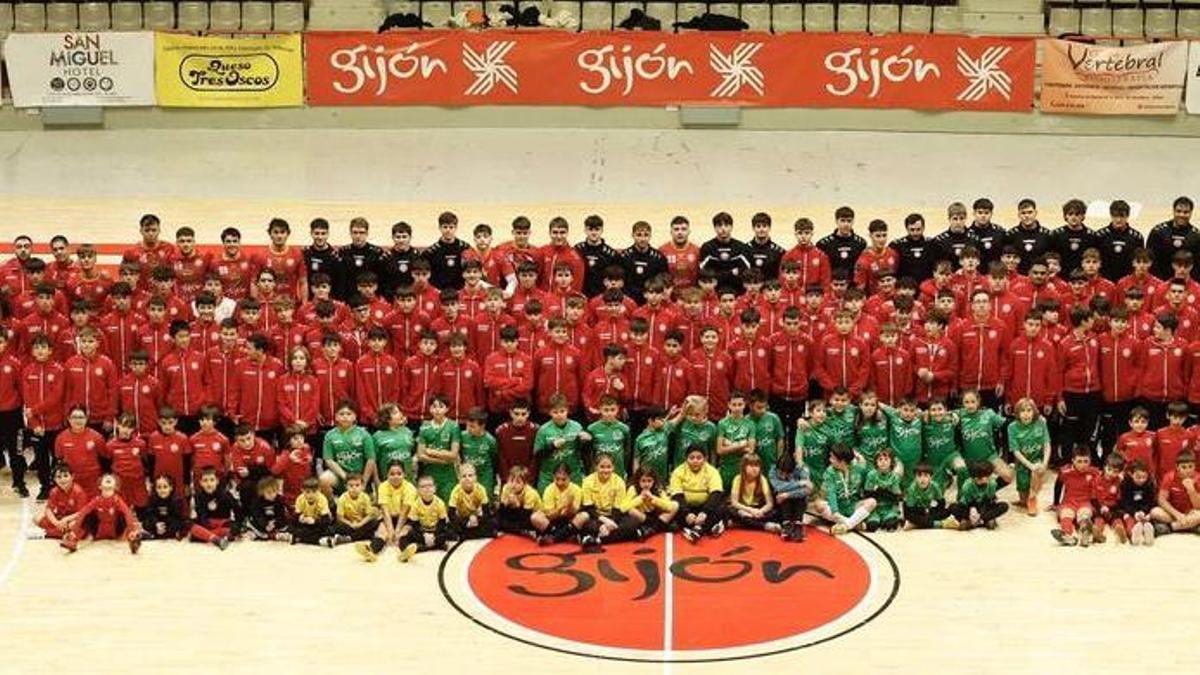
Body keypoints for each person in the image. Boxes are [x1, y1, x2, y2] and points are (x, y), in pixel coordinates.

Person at [60, 474, 142, 554]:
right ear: (100, 486)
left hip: (115, 530)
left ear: (116, 486)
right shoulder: (97, 500)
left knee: (124, 515)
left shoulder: (117, 500)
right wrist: (74, 530)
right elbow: (83, 513)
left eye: (110, 478)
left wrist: (132, 530)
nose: (108, 478)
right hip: (98, 531)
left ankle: (132, 540)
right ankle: (73, 540)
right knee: (87, 515)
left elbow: (127, 513)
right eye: (105, 478)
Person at [356, 460, 417, 562]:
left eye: (399, 474)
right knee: (382, 533)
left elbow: (405, 511)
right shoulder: (383, 486)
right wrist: (390, 530)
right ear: (387, 475)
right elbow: (385, 510)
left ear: (404, 475)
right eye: (392, 474)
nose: (395, 476)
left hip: (405, 518)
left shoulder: (410, 487)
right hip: (388, 517)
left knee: (403, 534)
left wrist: (397, 531)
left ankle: (405, 552)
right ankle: (371, 551)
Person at [814, 443, 874, 535]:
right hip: (837, 509)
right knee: (819, 504)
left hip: (852, 505)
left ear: (842, 461)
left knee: (872, 502)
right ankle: (853, 523)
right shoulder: (830, 472)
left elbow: (870, 476)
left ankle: (846, 526)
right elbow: (831, 493)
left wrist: (862, 460)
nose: (830, 460)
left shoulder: (858, 469)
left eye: (833, 458)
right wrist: (835, 511)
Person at [670, 445, 725, 543]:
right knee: (673, 508)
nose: (695, 461)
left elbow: (716, 493)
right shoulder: (678, 472)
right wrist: (687, 513)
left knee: (722, 507)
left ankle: (697, 530)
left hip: (705, 508)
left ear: (705, 459)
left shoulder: (712, 471)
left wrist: (704, 512)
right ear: (686, 459)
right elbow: (677, 496)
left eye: (699, 458)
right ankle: (709, 527)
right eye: (692, 458)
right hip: (686, 508)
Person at [574, 453, 627, 549]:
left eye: (608, 467)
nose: (605, 470)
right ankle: (608, 536)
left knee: (632, 523)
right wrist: (603, 522)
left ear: (613, 467)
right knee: (584, 522)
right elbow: (588, 508)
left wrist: (609, 524)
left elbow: (617, 509)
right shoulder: (588, 481)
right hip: (595, 517)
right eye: (602, 467)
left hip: (613, 517)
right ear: (596, 467)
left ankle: (595, 539)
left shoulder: (619, 482)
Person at [322, 401, 377, 492]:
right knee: (324, 479)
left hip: (360, 476)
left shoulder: (364, 434)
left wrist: (363, 482)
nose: (345, 417)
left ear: (355, 417)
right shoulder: (330, 435)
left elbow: (371, 459)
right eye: (341, 414)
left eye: (348, 414)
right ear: (336, 417)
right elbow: (329, 460)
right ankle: (332, 504)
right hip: (340, 475)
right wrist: (345, 477)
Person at [1051, 448, 1101, 546]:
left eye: (1086, 461)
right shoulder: (1065, 471)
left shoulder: (1095, 473)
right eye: (1079, 461)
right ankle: (1067, 536)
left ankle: (1085, 534)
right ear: (1073, 460)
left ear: (1090, 460)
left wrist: (1098, 507)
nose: (1083, 465)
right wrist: (1056, 503)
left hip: (1085, 502)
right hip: (1068, 502)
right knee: (1066, 516)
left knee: (1084, 516)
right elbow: (1058, 486)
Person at [417, 395, 462, 500]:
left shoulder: (453, 426)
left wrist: (431, 451)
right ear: (430, 409)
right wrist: (441, 460)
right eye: (434, 406)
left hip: (448, 476)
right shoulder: (424, 426)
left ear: (447, 409)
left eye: (441, 406)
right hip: (430, 474)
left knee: (448, 506)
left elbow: (453, 455)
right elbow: (420, 455)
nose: (437, 410)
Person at [54, 406, 105, 498]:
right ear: (68, 419)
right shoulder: (61, 438)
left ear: (86, 419)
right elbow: (59, 459)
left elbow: (104, 458)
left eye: (81, 417)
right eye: (74, 417)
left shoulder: (97, 437)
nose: (78, 420)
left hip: (92, 482)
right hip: (72, 483)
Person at [397, 475, 450, 560]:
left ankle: (421, 547)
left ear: (434, 488)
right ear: (418, 490)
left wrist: (433, 535)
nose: (427, 489)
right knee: (403, 539)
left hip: (436, 531)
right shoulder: (416, 504)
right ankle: (432, 546)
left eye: (430, 485)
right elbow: (415, 524)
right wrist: (424, 535)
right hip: (422, 532)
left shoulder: (440, 503)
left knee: (448, 532)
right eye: (423, 487)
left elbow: (442, 523)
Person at [29, 464, 87, 540]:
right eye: (59, 477)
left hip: (73, 519)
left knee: (73, 526)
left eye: (65, 476)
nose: (62, 479)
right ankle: (61, 532)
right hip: (61, 517)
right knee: (36, 518)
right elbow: (49, 510)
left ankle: (45, 533)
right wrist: (56, 523)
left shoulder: (78, 492)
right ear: (54, 479)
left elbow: (82, 512)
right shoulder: (54, 491)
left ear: (72, 477)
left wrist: (67, 519)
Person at [1150, 451, 1200, 535]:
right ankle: (1190, 526)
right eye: (1184, 467)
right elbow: (1162, 500)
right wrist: (1177, 515)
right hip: (1173, 513)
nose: (1188, 470)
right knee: (1154, 512)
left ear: (1195, 466)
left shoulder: (1198, 478)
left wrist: (1191, 491)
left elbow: (1198, 506)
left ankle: (1170, 527)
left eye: (1190, 467)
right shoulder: (1169, 477)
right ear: (1177, 467)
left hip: (1191, 512)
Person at [727, 453, 777, 533]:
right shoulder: (737, 479)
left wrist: (760, 511)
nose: (754, 469)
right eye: (751, 466)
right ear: (744, 467)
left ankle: (741, 523)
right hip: (743, 508)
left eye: (757, 466)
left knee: (775, 513)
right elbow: (734, 502)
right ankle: (764, 526)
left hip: (757, 508)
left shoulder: (762, 479)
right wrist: (749, 511)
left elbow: (770, 503)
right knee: (728, 510)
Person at [952, 460, 1009, 531]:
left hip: (984, 506)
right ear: (975, 478)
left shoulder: (992, 484)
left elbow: (990, 500)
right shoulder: (967, 486)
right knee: (953, 507)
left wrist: (980, 515)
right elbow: (966, 502)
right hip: (970, 507)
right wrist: (972, 511)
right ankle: (984, 520)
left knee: (1004, 506)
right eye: (984, 477)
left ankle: (977, 521)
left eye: (988, 476)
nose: (988, 479)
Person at [448, 463, 496, 541]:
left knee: (494, 522)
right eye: (464, 476)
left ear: (475, 478)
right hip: (463, 520)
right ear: (459, 478)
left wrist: (477, 519)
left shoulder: (481, 489)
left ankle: (465, 536)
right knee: (449, 527)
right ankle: (478, 534)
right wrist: (466, 522)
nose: (467, 478)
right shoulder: (456, 491)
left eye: (470, 475)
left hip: (477, 519)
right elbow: (451, 514)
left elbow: (486, 512)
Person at [495, 466, 545, 540]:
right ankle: (518, 531)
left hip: (530, 517)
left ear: (525, 484)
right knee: (495, 521)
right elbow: (501, 513)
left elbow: (526, 518)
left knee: (523, 524)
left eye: (518, 482)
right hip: (515, 516)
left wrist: (517, 505)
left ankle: (520, 530)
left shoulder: (530, 493)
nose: (513, 485)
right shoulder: (506, 488)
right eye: (511, 481)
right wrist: (505, 505)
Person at [903, 463, 958, 530]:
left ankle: (917, 524)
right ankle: (941, 524)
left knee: (953, 507)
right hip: (918, 512)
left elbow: (941, 503)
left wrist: (932, 508)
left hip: (930, 511)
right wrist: (925, 510)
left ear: (930, 477)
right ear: (915, 477)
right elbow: (910, 509)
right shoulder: (912, 488)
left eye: (926, 476)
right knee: (909, 515)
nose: (922, 479)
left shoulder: (935, 486)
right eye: (919, 476)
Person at [1118, 460, 1157, 546]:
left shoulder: (1150, 483)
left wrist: (1144, 512)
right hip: (1130, 510)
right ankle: (1133, 534)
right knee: (1128, 519)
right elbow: (1124, 502)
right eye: (1138, 477)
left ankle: (1148, 535)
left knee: (1150, 520)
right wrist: (1134, 513)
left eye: (1144, 477)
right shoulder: (1125, 484)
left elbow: (1151, 501)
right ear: (1131, 474)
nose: (1141, 480)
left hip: (1144, 510)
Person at [140, 475, 189, 541]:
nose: (162, 490)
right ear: (155, 489)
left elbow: (178, 517)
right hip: (157, 524)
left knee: (183, 523)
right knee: (145, 522)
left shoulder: (176, 500)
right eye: (159, 487)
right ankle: (155, 534)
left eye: (165, 487)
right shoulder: (152, 499)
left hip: (170, 524)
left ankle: (167, 534)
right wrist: (156, 523)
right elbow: (150, 514)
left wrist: (165, 526)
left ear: (171, 488)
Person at [291, 476, 337, 547]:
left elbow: (326, 520)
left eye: (314, 492)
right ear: (302, 491)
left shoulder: (322, 499)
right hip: (305, 525)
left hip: (319, 524)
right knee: (292, 528)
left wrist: (314, 521)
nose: (310, 495)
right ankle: (320, 541)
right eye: (307, 492)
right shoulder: (300, 499)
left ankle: (300, 539)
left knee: (330, 529)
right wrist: (300, 518)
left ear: (319, 490)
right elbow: (295, 519)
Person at [864, 448, 902, 531]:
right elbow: (867, 495)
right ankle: (876, 520)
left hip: (889, 508)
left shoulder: (894, 477)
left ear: (891, 462)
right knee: (872, 526)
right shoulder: (871, 475)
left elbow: (895, 498)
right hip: (875, 509)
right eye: (880, 459)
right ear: (876, 462)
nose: (883, 462)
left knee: (891, 525)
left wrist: (879, 490)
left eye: (886, 459)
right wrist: (886, 491)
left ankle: (887, 519)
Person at [334, 473, 379, 543]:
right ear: (346, 486)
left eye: (357, 485)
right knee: (336, 525)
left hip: (362, 523)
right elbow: (340, 517)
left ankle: (349, 538)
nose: (354, 488)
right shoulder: (342, 498)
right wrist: (350, 524)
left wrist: (360, 524)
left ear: (362, 486)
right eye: (351, 486)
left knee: (374, 522)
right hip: (349, 524)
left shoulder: (365, 497)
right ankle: (363, 535)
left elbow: (369, 515)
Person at [246, 477, 291, 543]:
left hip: (274, 520)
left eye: (274, 491)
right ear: (262, 492)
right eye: (269, 493)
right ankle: (260, 534)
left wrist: (275, 523)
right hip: (262, 521)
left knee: (285, 523)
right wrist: (265, 524)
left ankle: (272, 534)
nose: (272, 495)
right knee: (254, 523)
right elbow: (258, 515)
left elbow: (281, 514)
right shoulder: (257, 501)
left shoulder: (279, 500)